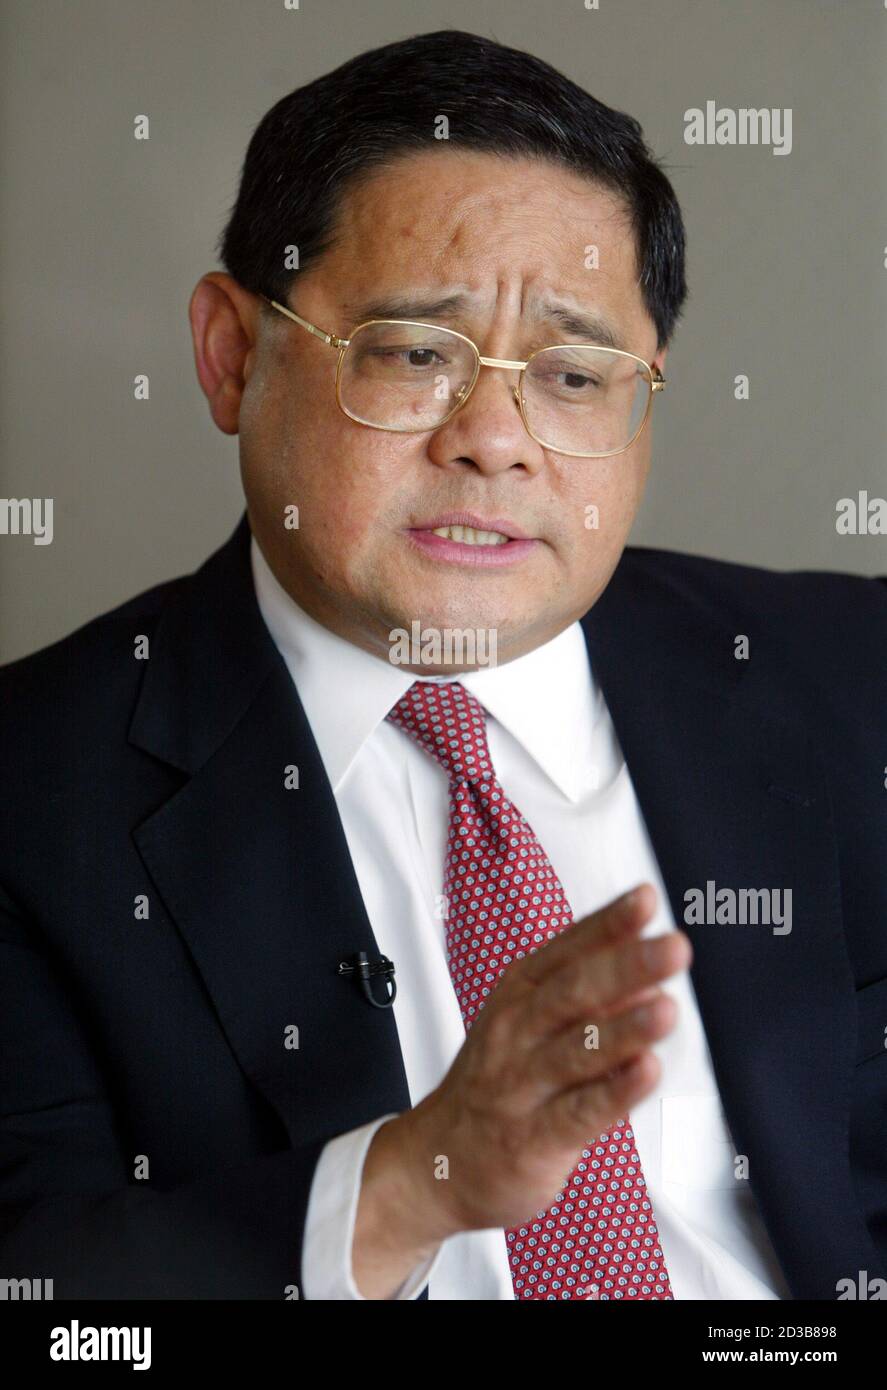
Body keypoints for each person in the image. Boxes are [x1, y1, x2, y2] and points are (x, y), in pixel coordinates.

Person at [1, 29, 885, 1302]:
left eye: (571, 375)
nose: (494, 441)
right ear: (232, 354)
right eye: (416, 353)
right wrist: (412, 1185)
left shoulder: (850, 681)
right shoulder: (34, 792)